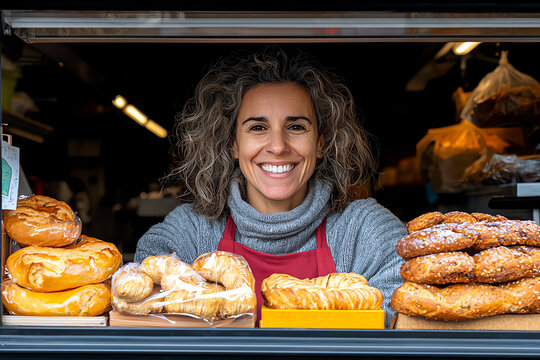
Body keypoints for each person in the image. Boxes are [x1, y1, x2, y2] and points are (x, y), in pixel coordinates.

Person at [135, 46, 406, 327]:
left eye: (297, 127)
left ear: (321, 143)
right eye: (257, 128)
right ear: (233, 144)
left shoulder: (364, 231)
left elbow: (406, 323)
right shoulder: (190, 232)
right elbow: (143, 301)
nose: (278, 146)